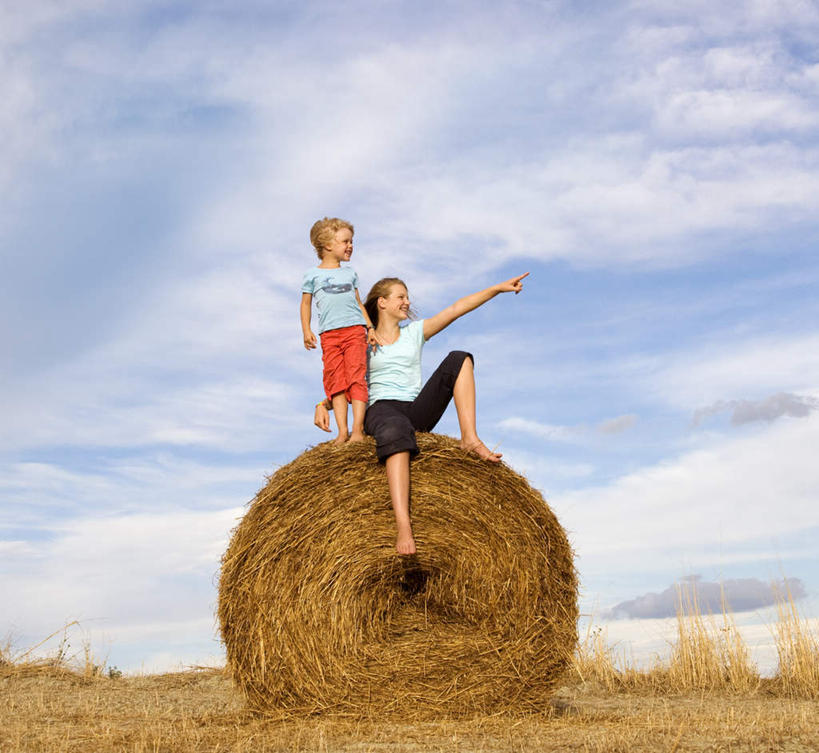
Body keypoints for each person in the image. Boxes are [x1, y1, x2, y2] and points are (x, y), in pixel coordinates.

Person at [315, 272, 528, 554]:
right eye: (401, 297)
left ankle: (470, 438)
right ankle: (403, 525)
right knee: (394, 430)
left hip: (415, 410)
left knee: (459, 358)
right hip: (379, 409)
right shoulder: (364, 342)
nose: (407, 302)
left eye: (407, 297)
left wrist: (497, 289)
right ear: (382, 303)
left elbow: (456, 308)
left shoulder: (415, 333)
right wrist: (323, 404)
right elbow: (350, 383)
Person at [301, 218, 378, 444]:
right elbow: (305, 304)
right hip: (329, 335)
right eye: (345, 241)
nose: (350, 245)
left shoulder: (350, 273)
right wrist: (306, 330)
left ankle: (357, 430)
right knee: (336, 382)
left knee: (356, 377)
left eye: (351, 241)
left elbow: (357, 302)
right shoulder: (312, 275)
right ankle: (342, 431)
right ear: (327, 245)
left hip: (354, 331)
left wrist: (370, 327)